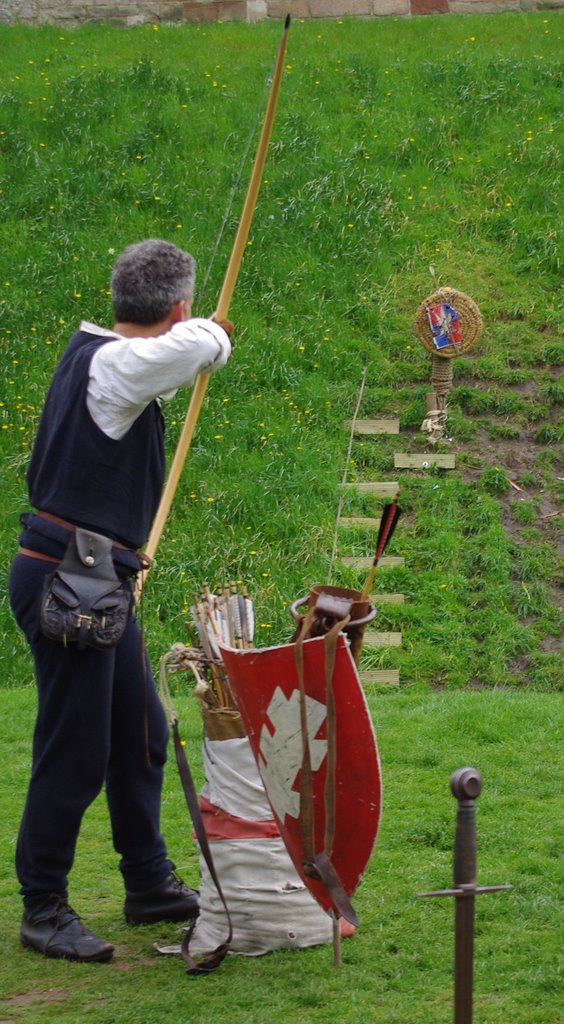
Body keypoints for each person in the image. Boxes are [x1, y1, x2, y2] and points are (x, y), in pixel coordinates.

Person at [9, 239, 233, 963]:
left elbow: (168, 363)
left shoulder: (116, 366)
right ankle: (42, 906)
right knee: (73, 750)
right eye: (186, 312)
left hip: (93, 582)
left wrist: (195, 336)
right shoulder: (113, 364)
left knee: (139, 733)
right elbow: (203, 348)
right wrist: (212, 332)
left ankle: (147, 883)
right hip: (70, 584)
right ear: (178, 307)